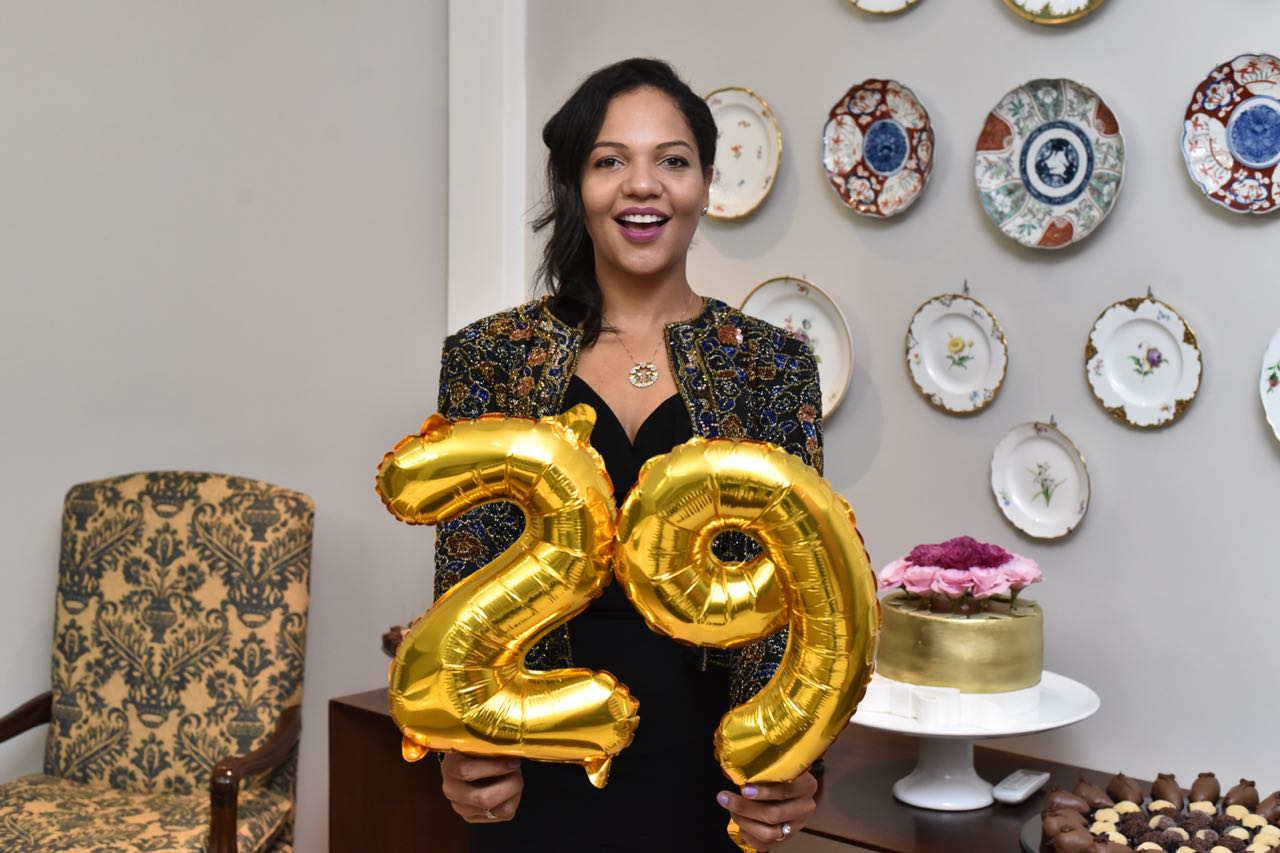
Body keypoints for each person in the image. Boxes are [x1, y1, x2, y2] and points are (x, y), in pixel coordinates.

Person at [431, 57, 824, 852]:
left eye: (672, 161)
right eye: (610, 161)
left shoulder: (772, 364)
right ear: (577, 184)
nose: (643, 185)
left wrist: (798, 766)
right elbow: (462, 575)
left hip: (711, 777)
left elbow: (800, 591)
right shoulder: (490, 357)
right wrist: (456, 746)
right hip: (534, 764)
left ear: (705, 184)